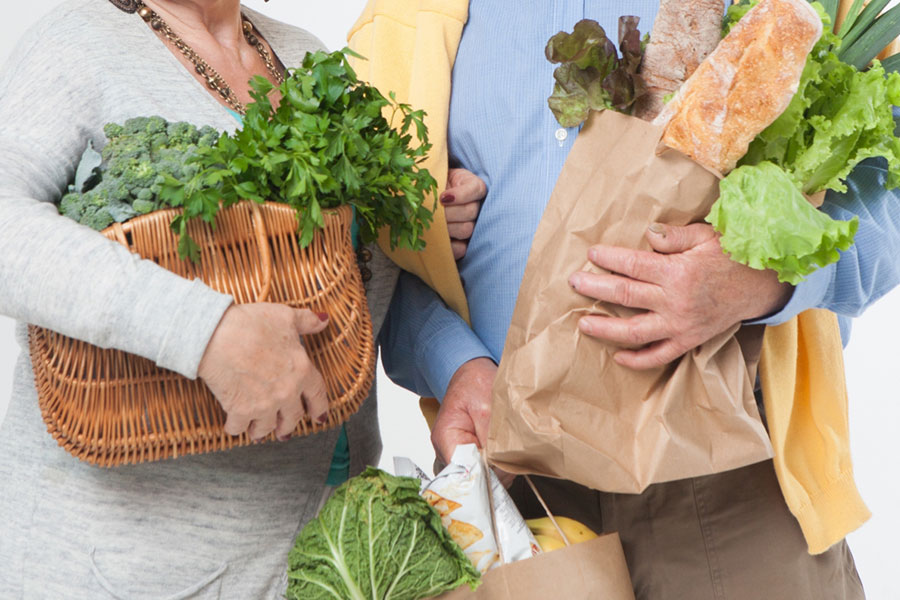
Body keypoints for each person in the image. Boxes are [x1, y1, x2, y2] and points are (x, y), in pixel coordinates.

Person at [352, 2, 900, 598]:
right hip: (507, 481)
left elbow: (886, 199)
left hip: (731, 475)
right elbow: (365, 250)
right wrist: (452, 361)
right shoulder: (404, 16)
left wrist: (764, 279)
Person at [0, 1, 483, 597]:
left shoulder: (308, 57)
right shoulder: (78, 44)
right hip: (116, 569)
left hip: (318, 559)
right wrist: (203, 331)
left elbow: (350, 280)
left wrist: (422, 222)